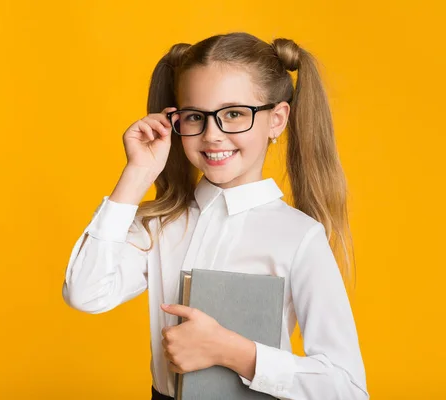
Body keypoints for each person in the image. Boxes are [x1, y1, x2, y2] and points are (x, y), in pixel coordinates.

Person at [62, 32, 369, 400]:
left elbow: (347, 388)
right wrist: (137, 174)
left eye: (234, 114)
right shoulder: (162, 224)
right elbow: (85, 293)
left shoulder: (299, 236)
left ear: (276, 120)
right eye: (195, 116)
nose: (212, 135)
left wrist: (232, 352)